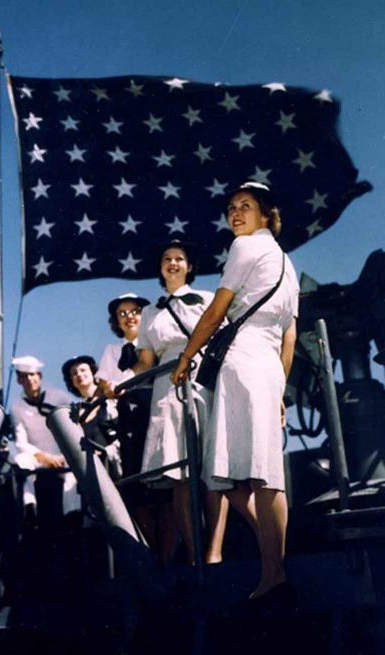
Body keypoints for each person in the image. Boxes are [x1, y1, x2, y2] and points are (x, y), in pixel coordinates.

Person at [172, 182, 299, 602]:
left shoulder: (244, 248)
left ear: (267, 215)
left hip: (243, 361)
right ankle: (274, 558)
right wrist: (279, 387)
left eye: (246, 206)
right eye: (231, 208)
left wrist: (185, 356)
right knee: (253, 471)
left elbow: (215, 311)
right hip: (264, 367)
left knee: (237, 474)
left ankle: (274, 570)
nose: (236, 214)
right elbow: (289, 338)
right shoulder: (287, 264)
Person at [105, 240, 228, 566]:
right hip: (167, 386)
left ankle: (215, 551)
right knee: (179, 475)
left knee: (214, 470)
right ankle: (193, 553)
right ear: (160, 268)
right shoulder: (149, 312)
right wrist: (118, 381)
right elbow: (145, 362)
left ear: (189, 266)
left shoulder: (206, 299)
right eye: (166, 259)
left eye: (179, 258)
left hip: (204, 379)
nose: (172, 263)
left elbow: (224, 342)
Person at [97, 294, 171, 560]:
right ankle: (152, 555)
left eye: (135, 311)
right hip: (130, 424)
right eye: (122, 313)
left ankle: (169, 556)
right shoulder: (112, 352)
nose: (129, 317)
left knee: (165, 487)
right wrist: (109, 387)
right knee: (137, 490)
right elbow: (105, 384)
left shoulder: (158, 344)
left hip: (158, 415)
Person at [8, 356, 79, 518]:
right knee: (22, 461)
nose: (29, 380)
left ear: (39, 376)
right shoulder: (16, 406)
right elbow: (21, 442)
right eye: (24, 376)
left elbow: (77, 414)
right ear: (19, 380)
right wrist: (44, 457)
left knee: (72, 472)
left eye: (33, 375)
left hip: (62, 455)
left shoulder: (58, 396)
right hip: (39, 458)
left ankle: (72, 514)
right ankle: (29, 507)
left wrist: (61, 455)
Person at [62, 355, 121, 479]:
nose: (79, 374)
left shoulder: (110, 398)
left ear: (93, 373)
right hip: (93, 471)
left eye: (83, 370)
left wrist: (107, 451)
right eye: (74, 373)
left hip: (118, 464)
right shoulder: (75, 412)